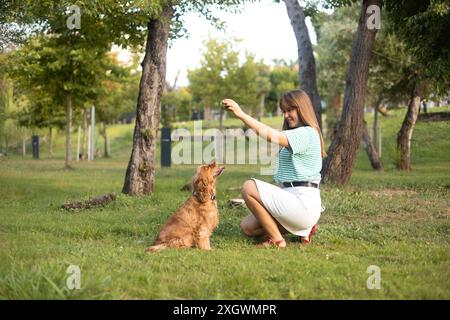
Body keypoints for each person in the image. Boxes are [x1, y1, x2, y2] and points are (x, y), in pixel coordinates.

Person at [222, 90, 326, 248]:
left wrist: (241, 114)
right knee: (248, 227)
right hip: (292, 201)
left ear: (302, 108)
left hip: (303, 202)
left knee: (249, 187)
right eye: (284, 111)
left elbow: (272, 136)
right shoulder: (295, 136)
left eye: (290, 110)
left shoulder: (307, 133)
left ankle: (278, 240)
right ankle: (304, 229)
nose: (286, 115)